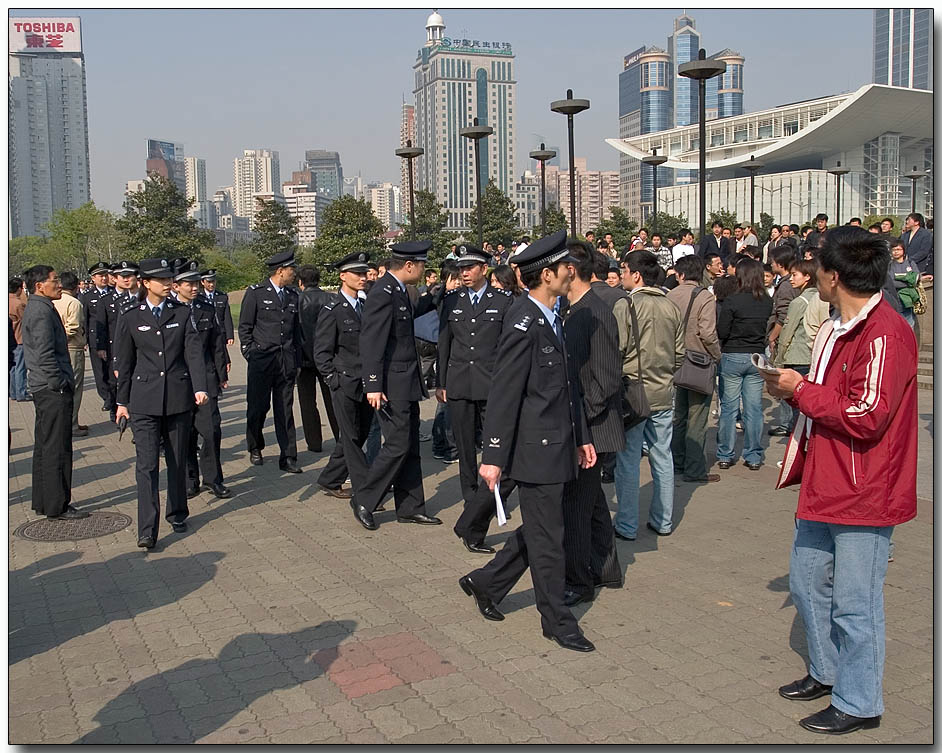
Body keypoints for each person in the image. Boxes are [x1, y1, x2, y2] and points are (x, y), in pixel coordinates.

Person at [767, 226, 917, 735]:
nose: (814, 277)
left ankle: (860, 700)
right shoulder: (836, 326)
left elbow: (867, 414)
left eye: (818, 270)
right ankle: (827, 672)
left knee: (856, 604)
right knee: (808, 583)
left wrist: (801, 391)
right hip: (825, 478)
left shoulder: (887, 333)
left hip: (867, 488)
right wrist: (796, 391)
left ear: (833, 276)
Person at [458, 229, 597, 653]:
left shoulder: (553, 317)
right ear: (546, 275)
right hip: (535, 451)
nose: (570, 273)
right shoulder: (523, 321)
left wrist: (582, 437)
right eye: (564, 268)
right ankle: (557, 620)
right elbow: (505, 393)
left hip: (559, 444)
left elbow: (566, 389)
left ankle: (487, 582)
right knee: (549, 538)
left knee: (541, 529)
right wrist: (493, 456)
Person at [115, 258, 208, 549]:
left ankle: (177, 512)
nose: (168, 284)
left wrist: (200, 387)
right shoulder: (131, 316)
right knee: (146, 466)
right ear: (146, 283)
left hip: (178, 399)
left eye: (170, 279)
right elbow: (125, 363)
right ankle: (147, 528)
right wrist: (121, 402)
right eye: (162, 280)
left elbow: (193, 353)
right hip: (143, 402)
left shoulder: (181, 313)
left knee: (178, 458)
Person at [350, 240, 443, 530]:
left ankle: (411, 506)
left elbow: (409, 316)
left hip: (406, 381)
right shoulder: (383, 292)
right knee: (397, 443)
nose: (424, 269)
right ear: (409, 265)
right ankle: (364, 498)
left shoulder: (398, 290)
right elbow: (372, 340)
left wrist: (437, 295)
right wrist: (373, 384)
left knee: (410, 443)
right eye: (423, 264)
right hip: (390, 383)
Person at [438, 243, 516, 553]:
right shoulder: (452, 301)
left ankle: (494, 501)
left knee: (497, 449)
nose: (464, 273)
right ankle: (472, 504)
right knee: (465, 450)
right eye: (460, 269)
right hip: (459, 385)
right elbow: (445, 343)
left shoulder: (503, 302)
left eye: (469, 267)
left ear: (484, 269)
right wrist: (441, 382)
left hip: (492, 385)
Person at [560, 241, 623, 605]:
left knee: (576, 508)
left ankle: (579, 582)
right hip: (587, 424)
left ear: (572, 270)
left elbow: (605, 379)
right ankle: (606, 569)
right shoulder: (576, 309)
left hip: (591, 427)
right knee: (594, 503)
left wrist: (579, 422)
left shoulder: (594, 310)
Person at [612, 250, 685, 539]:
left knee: (628, 461)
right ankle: (663, 520)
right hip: (663, 391)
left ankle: (627, 525)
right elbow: (679, 354)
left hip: (633, 393)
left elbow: (616, 350)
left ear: (636, 274)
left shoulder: (627, 306)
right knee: (662, 456)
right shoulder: (671, 306)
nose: (622, 275)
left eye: (625, 270)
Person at [22, 265, 86, 520]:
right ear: (40, 286)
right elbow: (45, 354)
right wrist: (58, 383)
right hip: (51, 390)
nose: (59, 285)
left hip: (45, 387)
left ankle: (44, 501)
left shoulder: (41, 307)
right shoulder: (40, 311)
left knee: (46, 446)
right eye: (54, 280)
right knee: (57, 448)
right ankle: (57, 505)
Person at [314, 252, 374, 500]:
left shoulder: (365, 305)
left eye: (364, 273)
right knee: (349, 437)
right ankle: (366, 492)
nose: (363, 277)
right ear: (342, 276)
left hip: (365, 382)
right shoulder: (332, 309)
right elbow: (321, 352)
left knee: (359, 435)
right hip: (345, 381)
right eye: (357, 273)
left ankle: (329, 478)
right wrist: (333, 380)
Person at [238, 249, 304, 473]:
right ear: (280, 271)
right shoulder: (256, 293)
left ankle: (288, 456)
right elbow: (245, 327)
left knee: (285, 410)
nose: (294, 273)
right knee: (258, 408)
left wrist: (297, 361)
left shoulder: (293, 295)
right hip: (262, 361)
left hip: (285, 361)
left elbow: (297, 332)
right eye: (291, 270)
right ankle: (255, 446)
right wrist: (250, 352)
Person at [172, 260, 232, 500]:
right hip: (180, 379)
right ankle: (189, 478)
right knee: (185, 433)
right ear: (176, 286)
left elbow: (217, 343)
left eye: (196, 283)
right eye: (189, 284)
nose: (194, 288)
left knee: (211, 430)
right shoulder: (169, 310)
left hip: (206, 377)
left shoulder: (206, 308)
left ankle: (213, 478)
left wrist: (221, 373)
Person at [667, 255, 722, 484]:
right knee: (697, 418)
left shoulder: (670, 295)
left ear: (679, 274)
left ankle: (677, 462)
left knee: (679, 416)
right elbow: (707, 332)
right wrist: (717, 355)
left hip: (674, 361)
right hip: (699, 362)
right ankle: (695, 469)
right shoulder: (705, 297)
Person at [715, 258, 773, 470]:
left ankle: (725, 454)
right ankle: (754, 455)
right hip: (757, 356)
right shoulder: (766, 301)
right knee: (754, 408)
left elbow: (722, 331)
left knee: (729, 408)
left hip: (733, 354)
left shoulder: (732, 301)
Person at [769, 258, 830, 435]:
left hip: (797, 356)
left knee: (798, 402)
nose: (791, 279)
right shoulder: (822, 298)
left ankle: (797, 439)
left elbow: (787, 333)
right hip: (814, 356)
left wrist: (778, 360)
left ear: (807, 277)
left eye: (795, 275)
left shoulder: (799, 302)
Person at [297, 264, 339, 453]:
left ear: (300, 282)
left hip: (304, 359)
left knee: (307, 402)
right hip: (328, 357)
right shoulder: (331, 298)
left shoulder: (298, 301)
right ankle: (341, 438)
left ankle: (314, 443)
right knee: (333, 400)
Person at [95, 260, 141, 417]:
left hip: (141, 348)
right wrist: (101, 346)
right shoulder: (115, 301)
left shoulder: (145, 299)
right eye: (122, 276)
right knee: (116, 381)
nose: (126, 279)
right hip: (117, 346)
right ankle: (117, 410)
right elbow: (102, 326)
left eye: (129, 276)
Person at [52, 271, 88, 436]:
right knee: (74, 388)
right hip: (72, 348)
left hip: (57, 350)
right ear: (75, 286)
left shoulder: (52, 301)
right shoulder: (74, 303)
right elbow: (73, 327)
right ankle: (72, 424)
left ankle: (67, 423)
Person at [81, 261, 114, 417]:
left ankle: (114, 396)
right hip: (95, 339)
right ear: (93, 278)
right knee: (99, 372)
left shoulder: (114, 293)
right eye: (100, 275)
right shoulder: (88, 296)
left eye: (106, 275)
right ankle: (106, 397)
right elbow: (85, 319)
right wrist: (86, 340)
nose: (104, 278)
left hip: (112, 338)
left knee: (111, 369)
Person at [888, 236, 920, 328]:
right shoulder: (889, 265)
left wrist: (900, 278)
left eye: (898, 249)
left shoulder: (910, 263)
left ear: (903, 250)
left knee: (909, 324)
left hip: (909, 299)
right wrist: (907, 279)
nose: (896, 252)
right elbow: (891, 282)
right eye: (893, 250)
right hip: (895, 298)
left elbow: (916, 278)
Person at [199, 270, 234, 345]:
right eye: (209, 282)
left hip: (220, 334)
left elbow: (227, 317)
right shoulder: (198, 297)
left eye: (213, 282)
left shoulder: (222, 296)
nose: (211, 284)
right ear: (202, 282)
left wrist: (230, 335)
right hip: (204, 334)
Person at [9, 277, 29, 401]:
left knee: (13, 367)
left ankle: (13, 392)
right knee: (21, 367)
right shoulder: (19, 303)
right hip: (20, 338)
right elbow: (26, 320)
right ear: (19, 289)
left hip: (11, 339)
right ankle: (21, 392)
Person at [901, 212, 933, 278]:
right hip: (905, 267)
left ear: (916, 222)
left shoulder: (926, 234)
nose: (907, 222)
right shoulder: (905, 235)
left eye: (909, 220)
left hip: (920, 267)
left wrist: (910, 260)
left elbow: (924, 251)